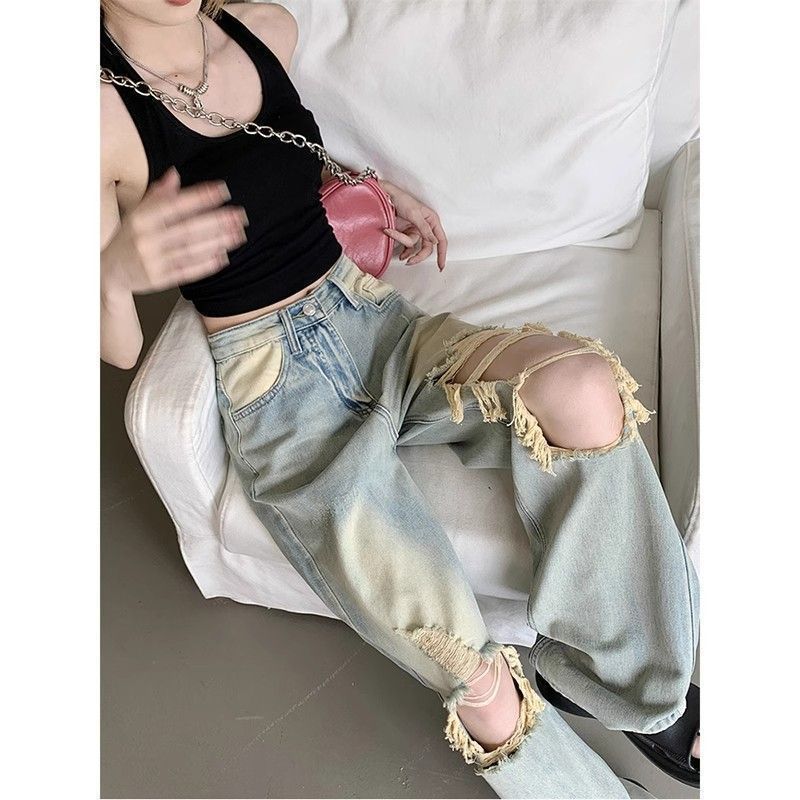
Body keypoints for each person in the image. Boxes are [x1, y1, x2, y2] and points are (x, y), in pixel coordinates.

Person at [100, 1, 699, 796]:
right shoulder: (94, 114)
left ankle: (635, 690)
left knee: (582, 389)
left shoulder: (263, 27)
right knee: (468, 667)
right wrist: (114, 270)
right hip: (277, 390)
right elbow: (118, 346)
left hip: (374, 319)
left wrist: (356, 186)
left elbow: (266, 156)